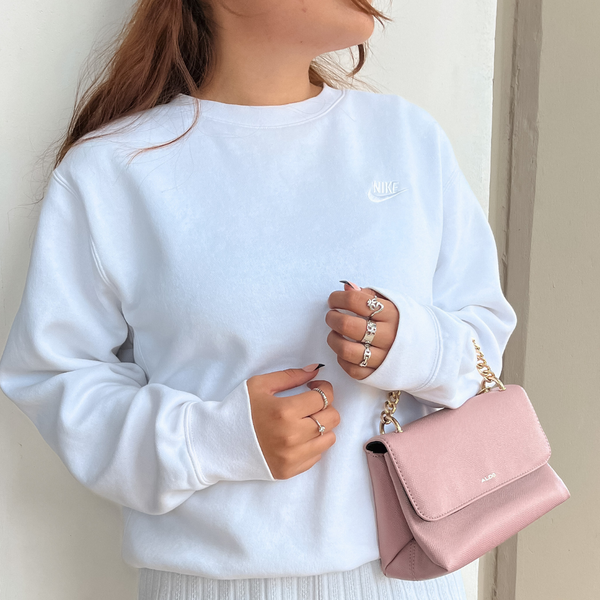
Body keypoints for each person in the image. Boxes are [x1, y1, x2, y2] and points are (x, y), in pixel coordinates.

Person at [0, 0, 517, 598]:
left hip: (411, 574)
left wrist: (417, 346)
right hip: (208, 583)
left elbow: (484, 334)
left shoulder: (406, 138)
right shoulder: (113, 169)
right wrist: (212, 440)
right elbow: (54, 375)